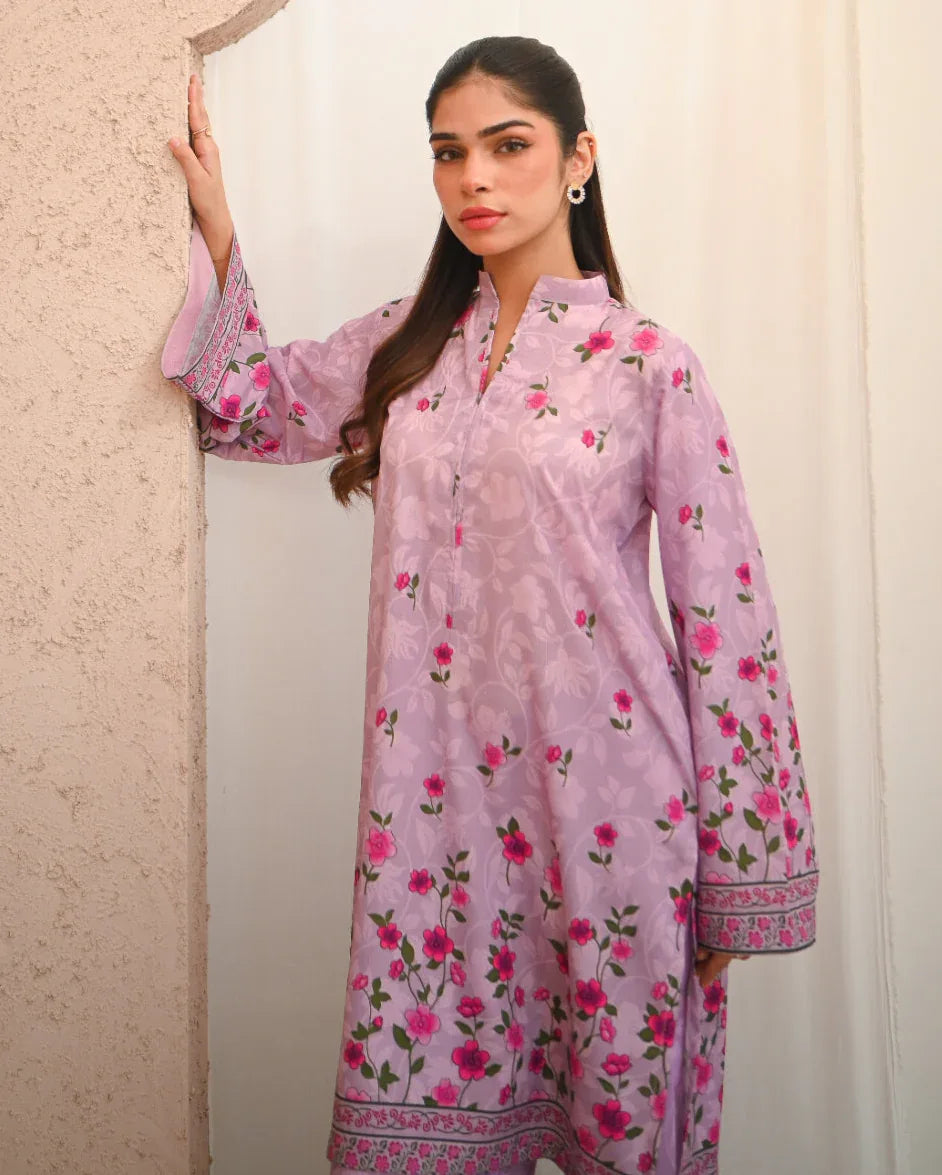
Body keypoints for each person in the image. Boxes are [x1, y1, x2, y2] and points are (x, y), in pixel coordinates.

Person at [163, 35, 818, 1175]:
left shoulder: (647, 365)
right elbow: (250, 410)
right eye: (449, 152)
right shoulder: (408, 348)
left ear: (579, 159)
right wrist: (217, 225)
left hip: (611, 820)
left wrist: (741, 877)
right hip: (432, 823)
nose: (475, 177)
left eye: (508, 146)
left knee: (616, 1128)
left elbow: (730, 621)